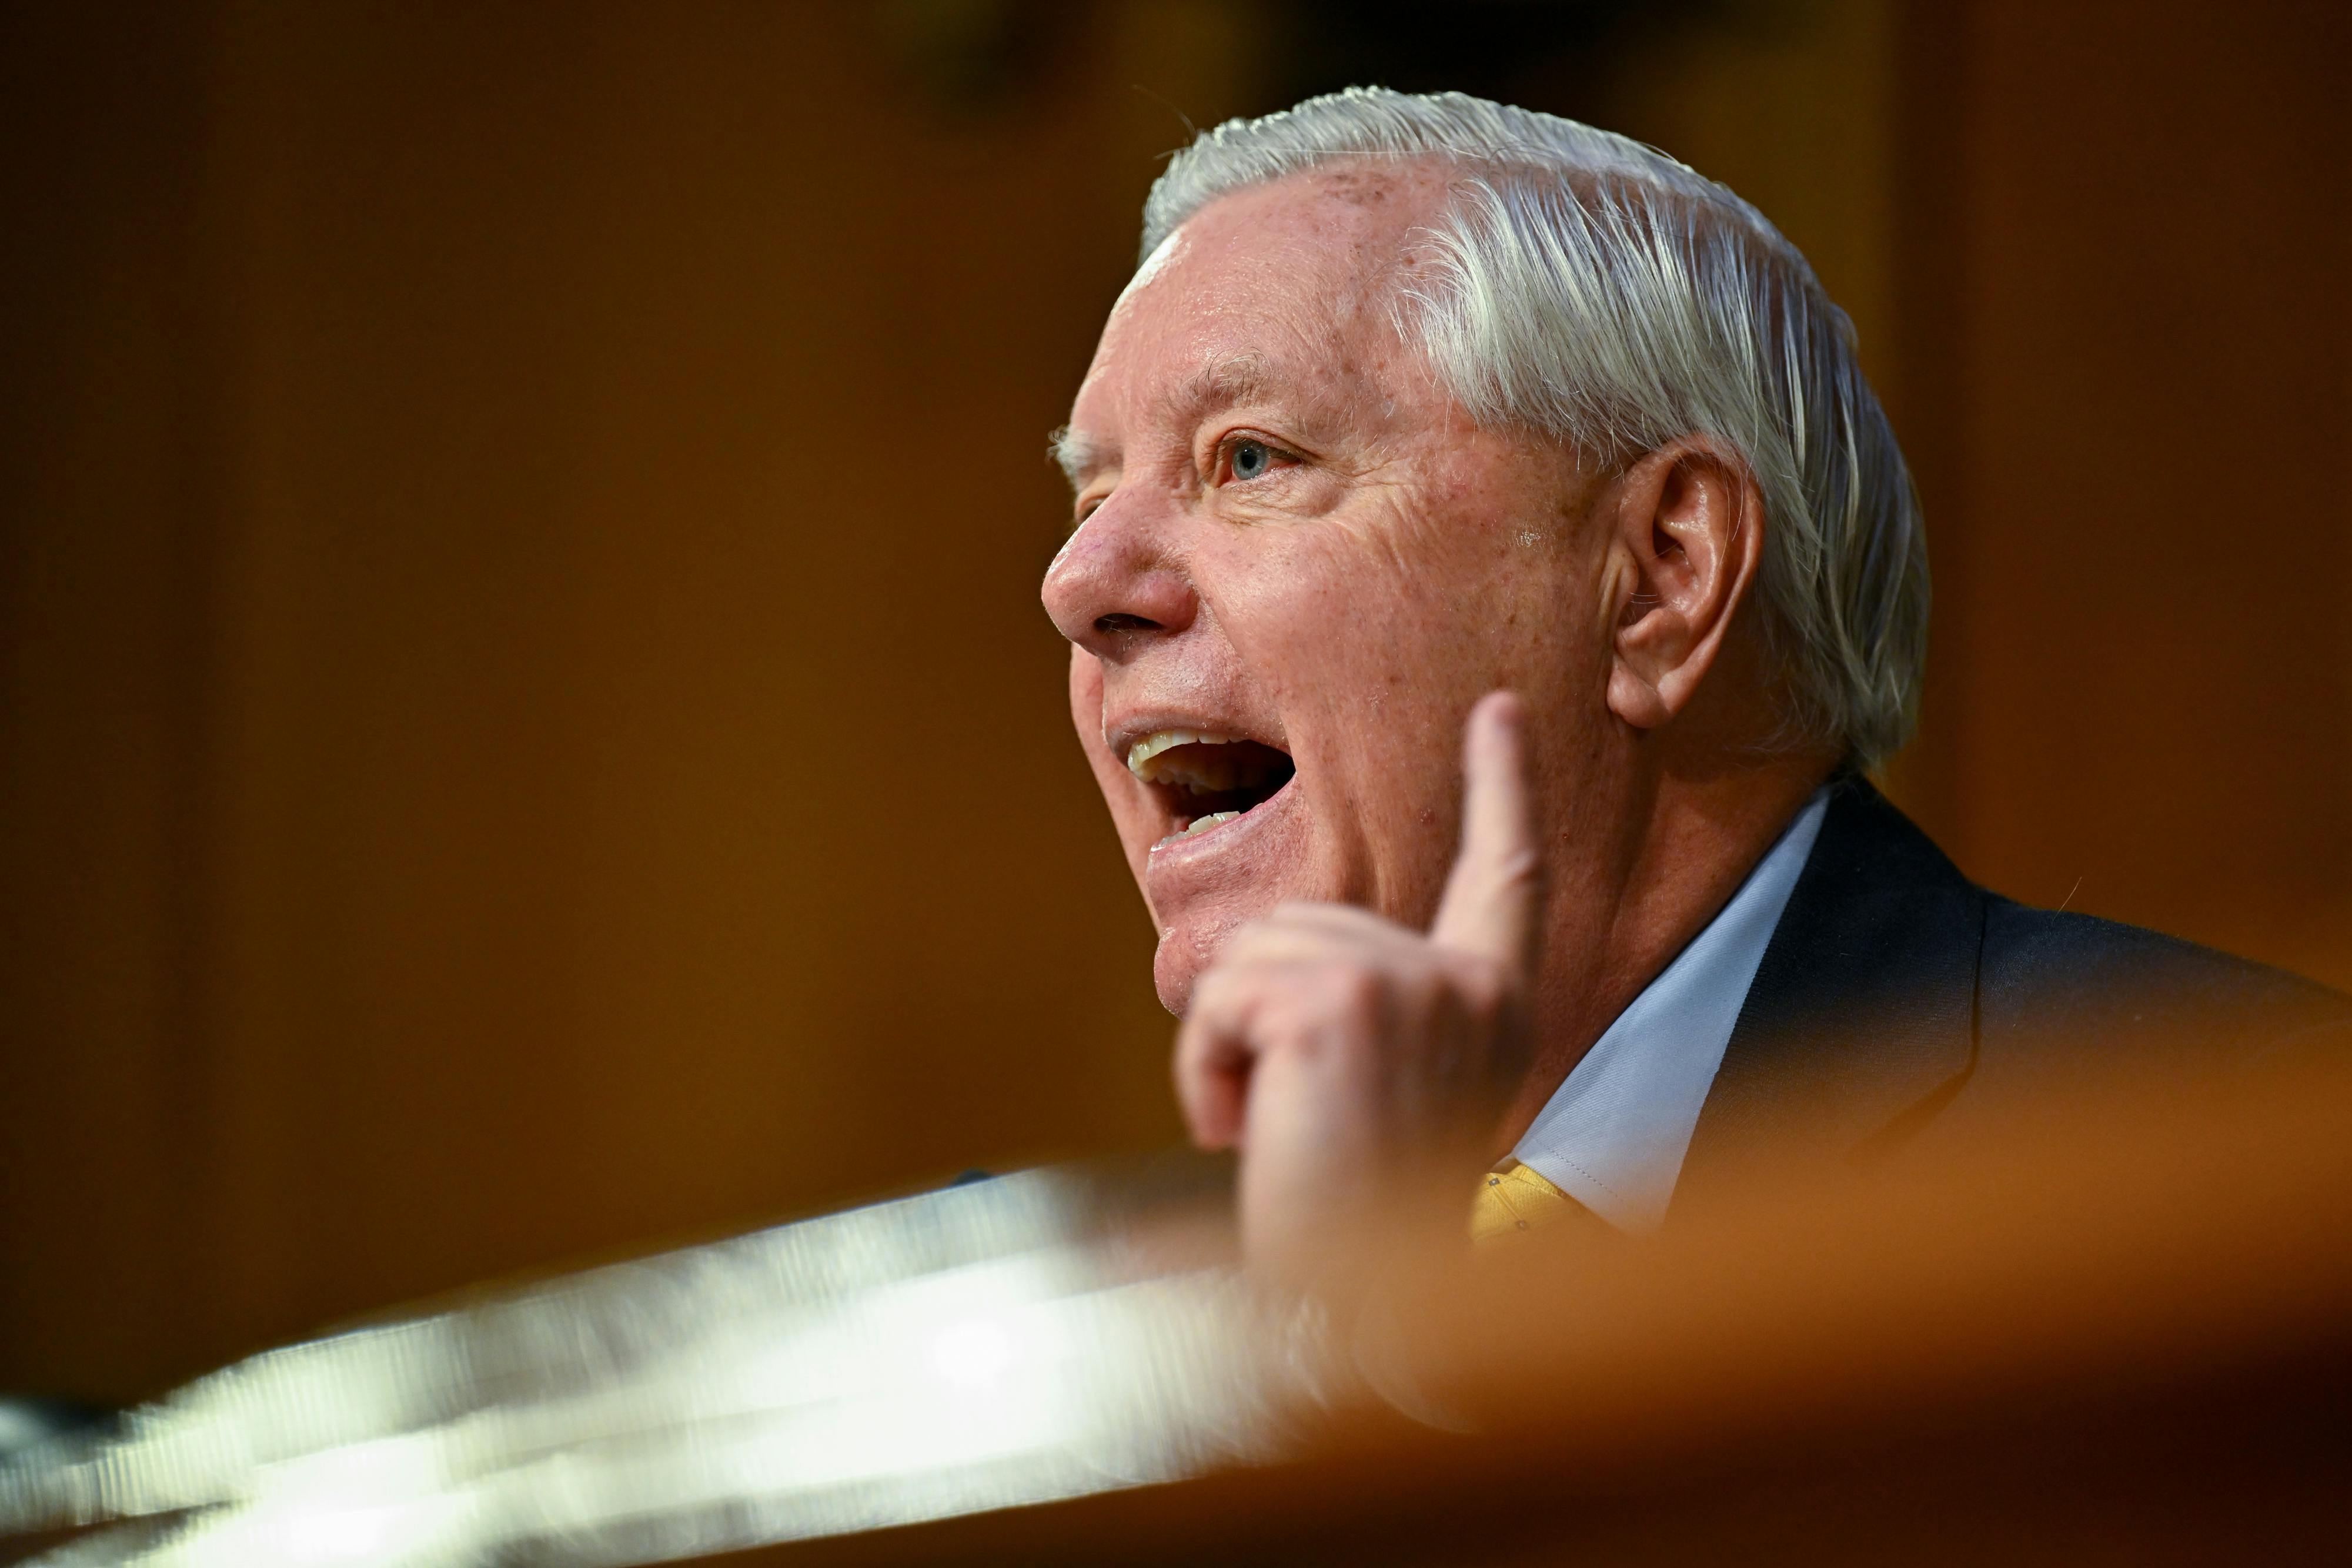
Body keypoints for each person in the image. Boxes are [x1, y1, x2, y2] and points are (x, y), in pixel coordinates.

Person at [1039, 88, 2349, 1286]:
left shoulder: (2229, 1173)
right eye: (1091, 500)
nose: (1075, 582)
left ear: (1662, 573)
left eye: (1250, 459)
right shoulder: (1138, 1311)